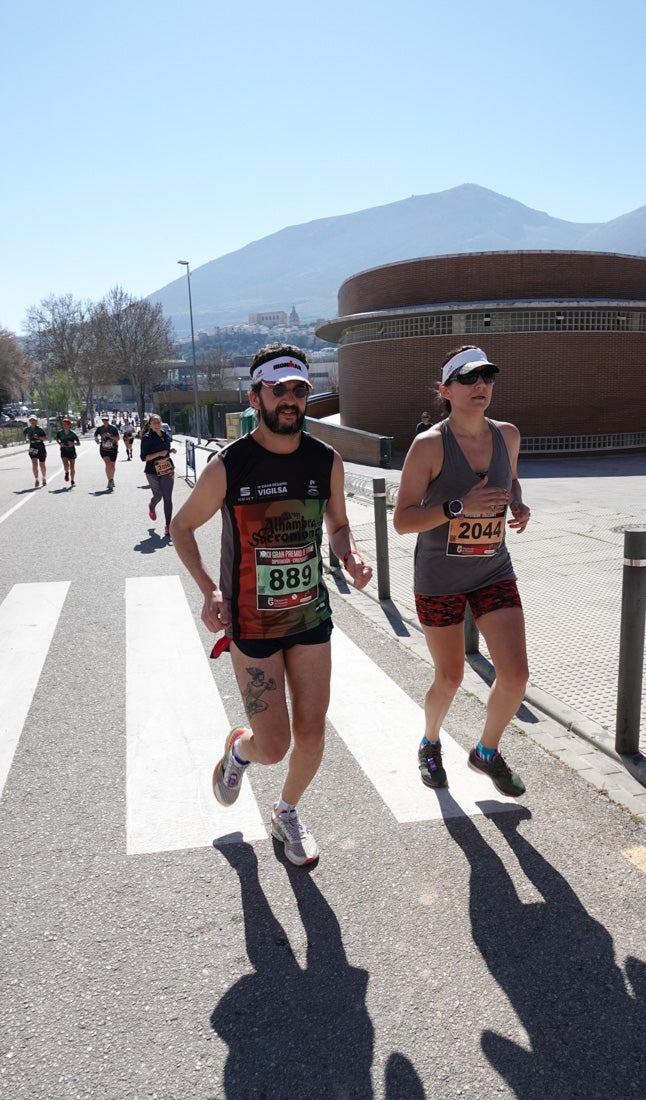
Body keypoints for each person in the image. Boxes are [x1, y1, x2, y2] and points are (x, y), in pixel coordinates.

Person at [170, 343, 373, 866]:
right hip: (252, 624)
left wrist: (349, 554)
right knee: (275, 744)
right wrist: (208, 589)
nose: (289, 399)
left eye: (298, 389)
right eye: (277, 389)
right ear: (255, 394)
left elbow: (338, 522)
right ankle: (241, 749)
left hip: (310, 617)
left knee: (311, 732)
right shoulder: (229, 466)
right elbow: (182, 526)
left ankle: (286, 811)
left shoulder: (325, 460)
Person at [393, 345, 531, 798]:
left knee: (515, 676)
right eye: (469, 379)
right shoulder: (430, 445)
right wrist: (458, 507)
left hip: (493, 569)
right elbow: (403, 520)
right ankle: (430, 742)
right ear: (445, 390)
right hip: (439, 578)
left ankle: (485, 753)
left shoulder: (507, 435)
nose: (481, 386)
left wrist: (517, 504)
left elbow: (510, 481)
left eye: (488, 377)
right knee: (449, 677)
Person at [140, 414, 177, 535]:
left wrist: (170, 451)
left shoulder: (165, 435)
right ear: (150, 425)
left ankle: (168, 526)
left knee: (168, 497)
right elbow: (144, 458)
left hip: (167, 469)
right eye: (154, 422)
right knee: (158, 496)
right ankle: (152, 506)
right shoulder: (147, 438)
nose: (157, 424)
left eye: (158, 422)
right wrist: (160, 453)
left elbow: (165, 451)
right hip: (152, 472)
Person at [94, 413, 120, 490]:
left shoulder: (113, 428)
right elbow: (95, 435)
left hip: (113, 449)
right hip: (104, 449)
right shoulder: (100, 428)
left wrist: (110, 436)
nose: (105, 421)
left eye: (106, 420)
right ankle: (110, 480)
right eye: (103, 420)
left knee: (112, 466)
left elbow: (117, 438)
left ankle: (112, 479)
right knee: (108, 463)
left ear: (108, 420)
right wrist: (96, 440)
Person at [23, 414, 48, 487]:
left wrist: (38, 437)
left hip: (40, 447)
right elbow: (24, 433)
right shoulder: (27, 429)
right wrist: (26, 439)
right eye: (31, 420)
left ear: (36, 421)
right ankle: (36, 479)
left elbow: (46, 438)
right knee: (34, 463)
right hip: (33, 447)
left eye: (33, 420)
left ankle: (44, 478)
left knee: (42, 464)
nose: (32, 421)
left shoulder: (40, 429)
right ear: (29, 421)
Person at [56, 417, 80, 487]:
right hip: (64, 451)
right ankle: (66, 473)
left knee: (72, 467)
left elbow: (79, 443)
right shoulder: (60, 433)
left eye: (66, 424)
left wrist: (73, 444)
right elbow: (57, 439)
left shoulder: (73, 434)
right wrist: (60, 444)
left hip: (72, 451)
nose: (65, 426)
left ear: (69, 425)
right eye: (63, 424)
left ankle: (72, 481)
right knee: (66, 465)